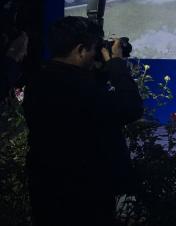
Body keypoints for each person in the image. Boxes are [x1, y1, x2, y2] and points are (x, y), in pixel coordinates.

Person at [23, 16, 143, 225]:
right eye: (94, 48)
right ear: (80, 50)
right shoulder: (80, 88)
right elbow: (131, 107)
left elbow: (84, 108)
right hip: (85, 192)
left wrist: (98, 71)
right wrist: (115, 64)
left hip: (46, 187)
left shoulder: (38, 81)